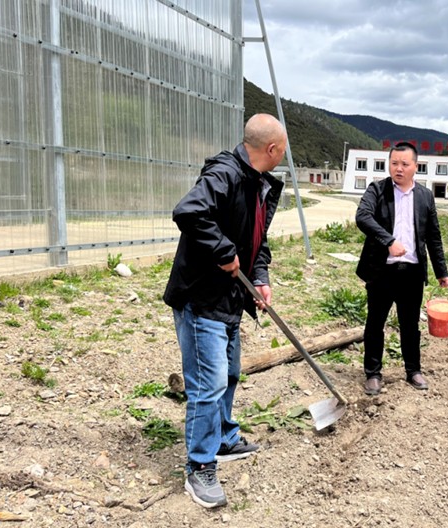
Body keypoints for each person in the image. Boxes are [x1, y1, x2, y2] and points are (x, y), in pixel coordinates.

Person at [163, 114, 287, 509]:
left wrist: (260, 276)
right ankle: (199, 465)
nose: (283, 155)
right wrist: (222, 250)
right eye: (283, 149)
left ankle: (223, 438)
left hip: (230, 298)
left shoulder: (258, 184)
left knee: (229, 374)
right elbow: (188, 212)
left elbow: (256, 241)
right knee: (207, 384)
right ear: (272, 149)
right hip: (203, 299)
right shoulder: (226, 175)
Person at [355, 141, 448, 395]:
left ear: (415, 167)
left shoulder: (425, 196)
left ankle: (413, 370)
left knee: (410, 324)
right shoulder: (377, 190)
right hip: (382, 271)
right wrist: (389, 241)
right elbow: (362, 217)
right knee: (375, 323)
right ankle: (373, 373)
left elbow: (433, 236)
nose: (398, 168)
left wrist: (441, 271)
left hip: (412, 272)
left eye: (404, 164)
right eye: (394, 163)